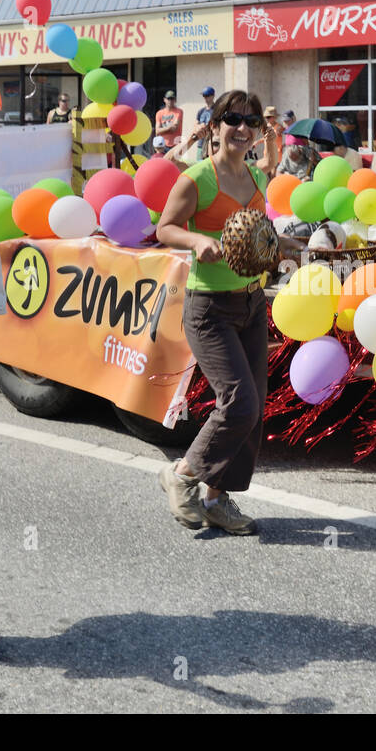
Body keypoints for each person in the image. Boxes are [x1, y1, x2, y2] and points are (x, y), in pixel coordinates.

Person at [155, 90, 296, 535]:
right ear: (214, 126)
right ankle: (182, 475)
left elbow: (257, 236)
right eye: (232, 119)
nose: (242, 128)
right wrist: (198, 241)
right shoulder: (198, 178)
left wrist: (281, 245)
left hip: (252, 302)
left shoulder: (255, 176)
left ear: (258, 132)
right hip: (209, 308)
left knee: (253, 410)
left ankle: (216, 499)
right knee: (239, 402)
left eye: (250, 121)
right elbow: (165, 228)